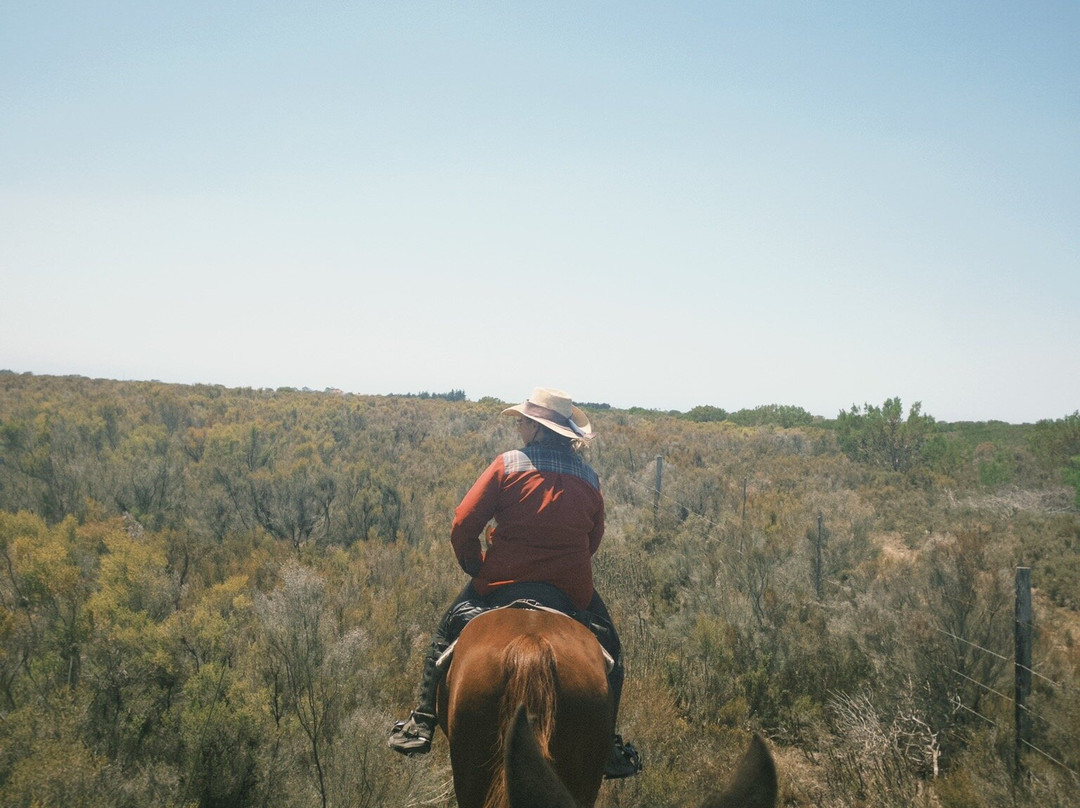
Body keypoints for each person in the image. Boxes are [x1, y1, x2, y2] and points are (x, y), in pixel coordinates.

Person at [388, 388, 641, 779]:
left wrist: (476, 565)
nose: (519, 424)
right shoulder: (590, 479)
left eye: (523, 420)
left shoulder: (507, 465)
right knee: (612, 652)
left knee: (445, 632)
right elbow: (593, 540)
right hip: (570, 590)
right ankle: (607, 745)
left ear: (538, 430)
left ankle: (421, 720)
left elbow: (463, 524)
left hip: (500, 583)